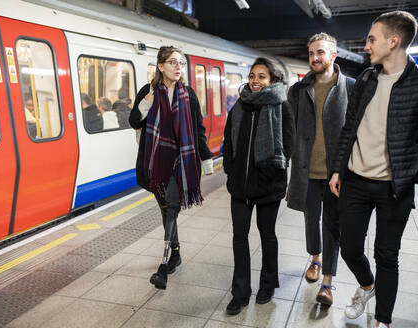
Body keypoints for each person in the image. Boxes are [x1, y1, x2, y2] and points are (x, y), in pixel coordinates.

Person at [329, 11, 418, 328]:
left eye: (371, 38)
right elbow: (348, 128)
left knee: (386, 256)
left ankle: (383, 320)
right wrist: (339, 168)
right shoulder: (367, 79)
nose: (366, 45)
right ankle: (367, 287)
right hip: (355, 181)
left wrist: (413, 174)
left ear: (393, 41)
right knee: (350, 248)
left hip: (394, 188)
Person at [129, 46, 214, 290]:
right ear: (160, 66)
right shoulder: (148, 91)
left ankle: (164, 265)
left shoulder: (188, 94)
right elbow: (134, 121)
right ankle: (176, 252)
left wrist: (206, 159)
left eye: (181, 63)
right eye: (173, 62)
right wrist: (145, 105)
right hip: (156, 163)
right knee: (167, 210)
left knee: (172, 208)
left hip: (181, 162)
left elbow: (198, 128)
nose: (178, 67)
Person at [285, 32, 354, 306]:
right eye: (311, 53)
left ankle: (327, 281)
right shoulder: (299, 90)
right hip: (306, 171)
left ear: (333, 55)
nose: (315, 57)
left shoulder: (351, 86)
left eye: (321, 52)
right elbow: (289, 129)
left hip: (337, 173)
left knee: (332, 225)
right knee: (310, 219)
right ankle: (314, 257)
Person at [222, 57, 295, 315]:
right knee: (239, 237)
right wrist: (230, 170)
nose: (255, 81)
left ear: (272, 80)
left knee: (267, 235)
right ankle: (240, 292)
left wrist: (272, 173)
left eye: (261, 76)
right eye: (253, 76)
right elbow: (227, 143)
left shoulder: (281, 106)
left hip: (268, 186)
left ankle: (267, 285)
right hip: (240, 186)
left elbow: (288, 145)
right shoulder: (239, 106)